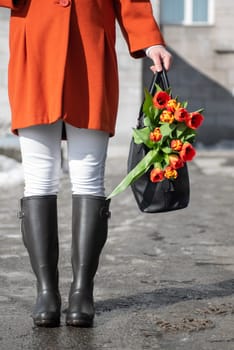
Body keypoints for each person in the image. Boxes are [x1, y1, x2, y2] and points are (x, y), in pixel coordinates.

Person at [0, 0, 172, 328]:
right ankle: (46, 292)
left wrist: (150, 40)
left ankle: (82, 292)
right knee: (38, 178)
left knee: (89, 177)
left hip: (91, 49)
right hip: (34, 48)